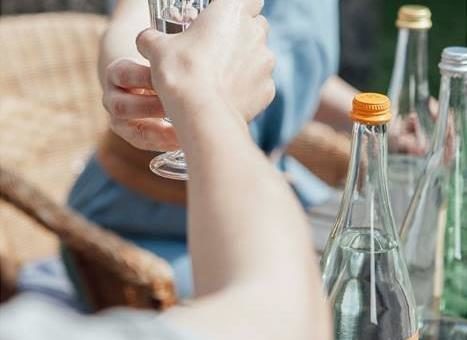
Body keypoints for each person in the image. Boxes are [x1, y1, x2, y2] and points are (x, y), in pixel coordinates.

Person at [0, 1, 332, 339]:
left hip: (264, 193)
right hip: (142, 214)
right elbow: (132, 23)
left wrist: (371, 116)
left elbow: (294, 63)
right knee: (334, 287)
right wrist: (167, 86)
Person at [63, 0, 357, 301]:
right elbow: (134, 19)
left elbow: (286, 63)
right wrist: (135, 79)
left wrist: (378, 117)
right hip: (145, 220)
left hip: (262, 193)